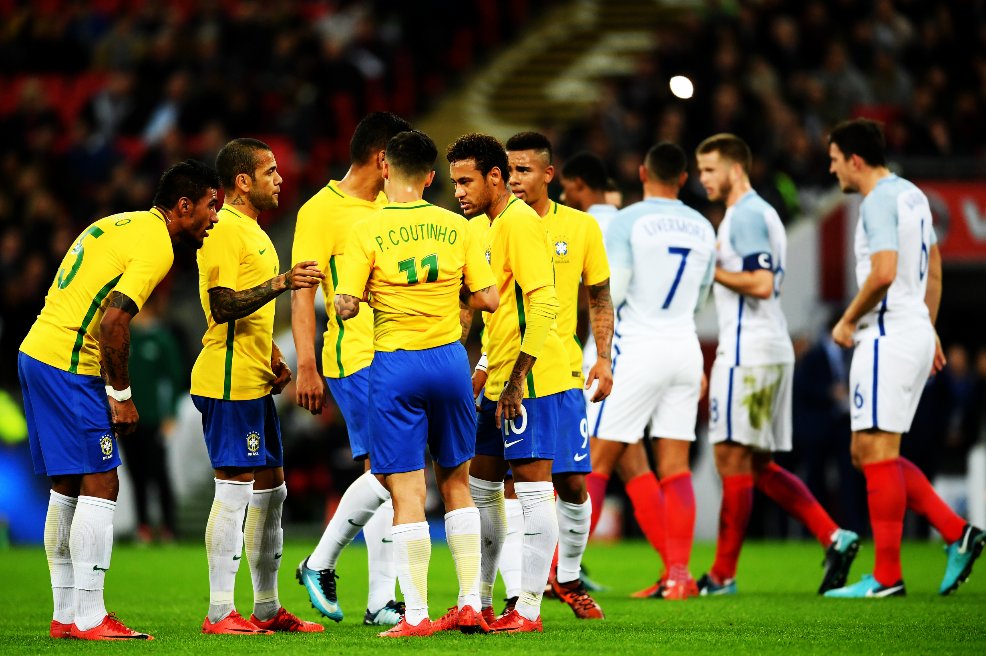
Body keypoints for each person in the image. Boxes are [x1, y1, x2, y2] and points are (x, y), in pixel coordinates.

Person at [18, 159, 220, 640]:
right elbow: (113, 323)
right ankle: (91, 617)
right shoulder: (157, 244)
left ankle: (66, 616)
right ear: (183, 205)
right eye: (211, 206)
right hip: (70, 362)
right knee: (103, 481)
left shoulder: (116, 223)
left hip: (37, 351)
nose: (215, 218)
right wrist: (122, 395)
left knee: (67, 485)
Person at [335, 130, 499, 637]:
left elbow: (344, 306)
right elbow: (489, 298)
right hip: (450, 361)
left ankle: (417, 616)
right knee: (457, 484)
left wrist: (366, 294)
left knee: (407, 491)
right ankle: (470, 603)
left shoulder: (365, 229)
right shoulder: (459, 226)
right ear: (431, 177)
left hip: (396, 365)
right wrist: (448, 296)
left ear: (385, 168)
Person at [824, 118, 985, 597]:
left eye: (834, 160)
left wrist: (847, 319)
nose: (832, 170)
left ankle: (887, 576)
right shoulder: (912, 195)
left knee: (876, 454)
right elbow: (933, 269)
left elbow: (883, 272)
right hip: (911, 328)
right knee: (867, 453)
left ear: (855, 160)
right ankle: (957, 532)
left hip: (886, 334)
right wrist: (927, 327)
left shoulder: (877, 201)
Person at [695, 133, 859, 596]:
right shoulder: (760, 212)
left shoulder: (746, 214)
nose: (703, 179)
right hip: (764, 348)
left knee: (731, 458)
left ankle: (722, 575)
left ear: (735, 169)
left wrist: (710, 268)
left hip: (749, 353)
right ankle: (833, 535)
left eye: (709, 169)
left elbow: (762, 282)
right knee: (757, 463)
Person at [191, 138, 325, 635]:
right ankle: (220, 612)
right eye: (270, 171)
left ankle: (266, 608)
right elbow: (221, 304)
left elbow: (248, 314)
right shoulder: (225, 228)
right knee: (234, 490)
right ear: (243, 181)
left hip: (253, 379)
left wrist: (271, 354)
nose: (280, 178)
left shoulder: (255, 232)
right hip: (227, 380)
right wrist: (281, 282)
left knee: (272, 489)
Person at [292, 111, 410, 626]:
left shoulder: (391, 205)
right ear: (383, 159)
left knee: (388, 472)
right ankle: (323, 564)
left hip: (397, 355)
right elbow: (302, 293)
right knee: (391, 468)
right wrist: (306, 364)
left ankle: (379, 600)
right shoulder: (321, 210)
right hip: (354, 356)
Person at [584, 142, 715, 600]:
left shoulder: (630, 221)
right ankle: (678, 576)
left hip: (638, 348)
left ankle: (559, 571)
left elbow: (613, 292)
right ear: (683, 179)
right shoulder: (703, 227)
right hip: (685, 348)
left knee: (598, 459)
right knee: (675, 467)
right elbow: (700, 299)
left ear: (642, 173)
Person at [448, 133, 568, 633]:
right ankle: (479, 601)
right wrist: (483, 371)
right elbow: (494, 314)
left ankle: (529, 609)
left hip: (531, 379)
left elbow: (544, 302)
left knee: (535, 492)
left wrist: (518, 378)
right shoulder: (486, 227)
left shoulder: (519, 222)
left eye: (466, 181)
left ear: (494, 177)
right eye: (454, 182)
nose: (458, 191)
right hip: (498, 377)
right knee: (481, 488)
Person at [500, 131, 612, 619]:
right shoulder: (495, 225)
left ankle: (567, 578)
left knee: (572, 484)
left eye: (524, 170)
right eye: (508, 170)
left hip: (564, 374)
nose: (514, 179)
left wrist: (603, 358)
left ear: (549, 174)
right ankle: (516, 593)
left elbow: (599, 296)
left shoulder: (582, 227)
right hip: (511, 374)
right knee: (516, 486)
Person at [122, 294, 184, 544]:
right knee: (135, 474)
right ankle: (143, 527)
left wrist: (169, 413)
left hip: (153, 418)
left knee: (158, 472)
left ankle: (169, 527)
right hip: (127, 419)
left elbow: (174, 378)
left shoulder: (161, 339)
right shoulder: (125, 338)